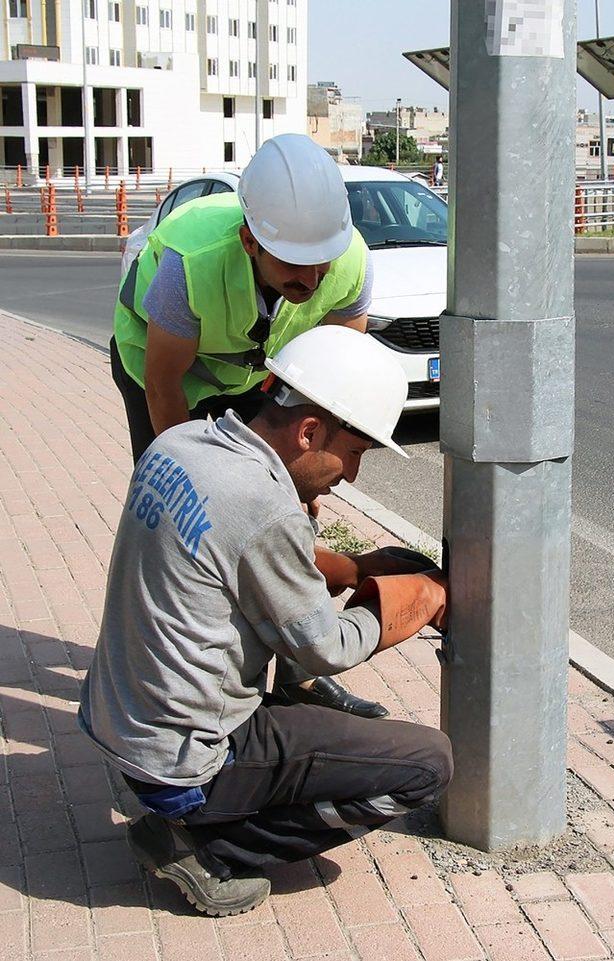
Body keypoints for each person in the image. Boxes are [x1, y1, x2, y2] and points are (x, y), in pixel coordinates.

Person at [79, 325, 453, 919]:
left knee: (313, 707)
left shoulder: (185, 445)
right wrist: (415, 599)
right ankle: (211, 849)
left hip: (123, 724)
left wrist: (353, 568)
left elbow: (253, 558)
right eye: (354, 453)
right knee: (427, 764)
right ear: (309, 431)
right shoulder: (263, 505)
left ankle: (199, 815)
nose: (351, 475)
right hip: (186, 763)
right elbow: (322, 648)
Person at [110, 132, 383, 718]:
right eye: (292, 265)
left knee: (289, 512)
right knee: (192, 518)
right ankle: (181, 680)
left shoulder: (351, 264)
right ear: (249, 242)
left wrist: (303, 489)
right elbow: (165, 389)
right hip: (163, 376)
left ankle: (296, 675)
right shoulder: (192, 263)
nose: (311, 280)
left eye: (321, 262)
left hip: (249, 374)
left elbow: (328, 396)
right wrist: (205, 486)